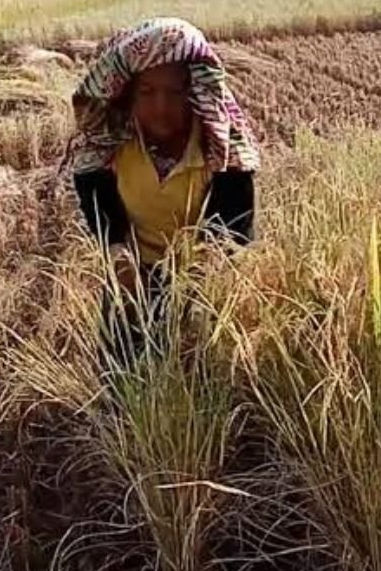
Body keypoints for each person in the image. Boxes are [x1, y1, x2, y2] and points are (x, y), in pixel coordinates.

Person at [68, 18, 260, 365]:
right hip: (133, 281)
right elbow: (93, 193)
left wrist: (193, 293)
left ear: (195, 92)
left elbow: (232, 238)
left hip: (205, 288)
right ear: (127, 93)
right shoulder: (110, 146)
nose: (161, 107)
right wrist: (117, 253)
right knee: (121, 378)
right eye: (147, 93)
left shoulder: (224, 156)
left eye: (175, 92)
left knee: (199, 378)